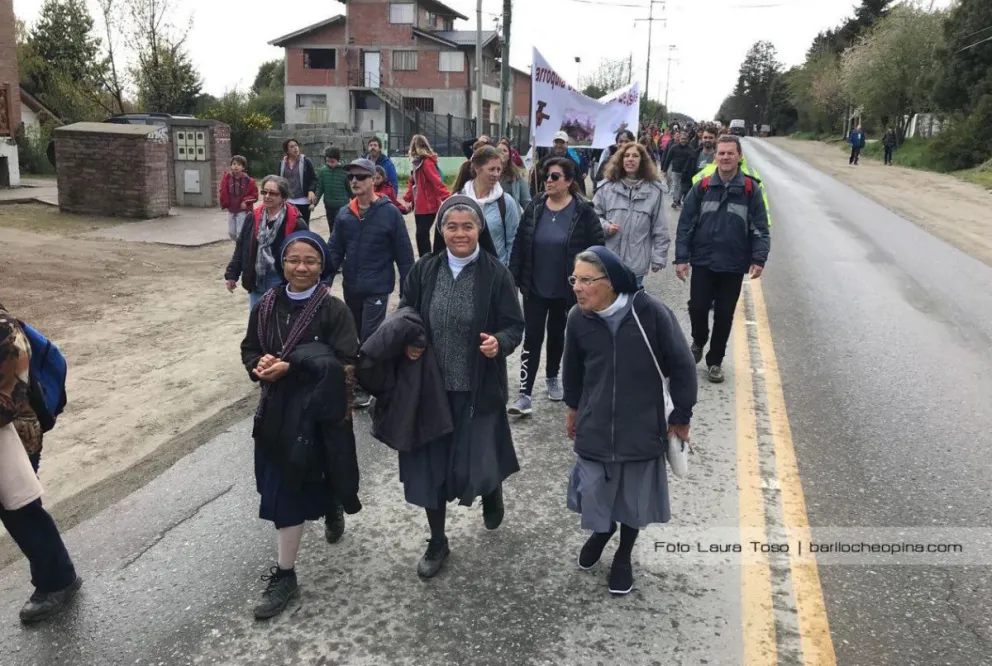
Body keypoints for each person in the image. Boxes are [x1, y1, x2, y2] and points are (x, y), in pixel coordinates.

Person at [396, 195, 525, 579]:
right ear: (440, 230)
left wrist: (498, 343)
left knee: (479, 461)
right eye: (451, 226)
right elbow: (406, 310)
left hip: (478, 389)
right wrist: (409, 339)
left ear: (480, 230)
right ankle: (437, 541)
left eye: (468, 226)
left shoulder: (496, 274)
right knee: (430, 468)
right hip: (430, 391)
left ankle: (491, 487)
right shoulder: (424, 270)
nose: (460, 233)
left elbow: (514, 325)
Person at [241, 231, 361, 619]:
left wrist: (295, 366)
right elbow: (250, 347)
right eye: (294, 259)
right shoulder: (265, 306)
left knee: (301, 485)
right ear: (282, 262)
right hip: (275, 413)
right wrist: (258, 366)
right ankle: (293, 565)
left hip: (315, 416)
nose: (301, 267)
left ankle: (290, 567)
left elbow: (348, 364)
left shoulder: (334, 309)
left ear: (322, 265)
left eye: (310, 260)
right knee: (280, 488)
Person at [563, 247, 697, 595]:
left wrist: (681, 416)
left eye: (586, 280)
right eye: (574, 279)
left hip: (641, 426)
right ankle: (603, 531)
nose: (577, 287)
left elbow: (681, 365)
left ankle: (623, 554)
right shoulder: (578, 318)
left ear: (611, 282)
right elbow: (573, 368)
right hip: (595, 424)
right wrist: (574, 407)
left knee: (632, 501)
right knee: (595, 491)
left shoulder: (650, 313)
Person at [0, 304, 82, 624]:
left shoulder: (5, 333)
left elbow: (10, 400)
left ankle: (57, 580)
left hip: (16, 437)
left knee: (20, 510)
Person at [508, 157, 605, 416]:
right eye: (546, 176)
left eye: (554, 177)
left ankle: (552, 376)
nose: (548, 181)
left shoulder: (584, 211)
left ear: (570, 181)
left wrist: (590, 283)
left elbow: (597, 249)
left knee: (558, 335)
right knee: (532, 337)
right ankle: (524, 394)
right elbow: (520, 242)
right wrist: (513, 278)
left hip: (566, 291)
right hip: (535, 288)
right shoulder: (535, 207)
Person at [675, 135, 770, 383]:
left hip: (733, 264)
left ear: (739, 156)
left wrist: (759, 258)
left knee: (724, 315)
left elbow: (760, 228)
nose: (725, 157)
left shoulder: (751, 189)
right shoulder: (703, 186)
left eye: (730, 153)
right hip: (704, 261)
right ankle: (698, 340)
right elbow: (685, 225)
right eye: (721, 153)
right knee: (697, 307)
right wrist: (681, 258)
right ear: (715, 156)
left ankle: (715, 361)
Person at [328, 159, 415, 409]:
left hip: (378, 286)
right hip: (352, 286)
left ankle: (365, 385)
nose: (354, 181)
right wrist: (324, 281)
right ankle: (376, 376)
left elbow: (404, 254)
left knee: (369, 336)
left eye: (361, 176)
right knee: (355, 335)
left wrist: (408, 291)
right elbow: (334, 252)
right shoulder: (345, 215)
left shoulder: (389, 213)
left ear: (374, 179)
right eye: (351, 177)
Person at [226, 175, 309, 310]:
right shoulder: (252, 217)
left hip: (281, 280)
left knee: (277, 325)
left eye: (273, 193)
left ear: (283, 196)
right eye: (264, 192)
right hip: (256, 279)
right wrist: (232, 275)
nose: (267, 196)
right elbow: (241, 248)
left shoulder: (295, 222)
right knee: (256, 324)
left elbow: (306, 254)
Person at [593, 142, 669, 288]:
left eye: (635, 156)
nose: (630, 159)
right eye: (626, 155)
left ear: (642, 161)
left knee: (632, 305)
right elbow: (593, 217)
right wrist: (606, 226)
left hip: (637, 263)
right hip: (609, 260)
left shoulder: (654, 191)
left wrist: (659, 257)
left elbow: (660, 227)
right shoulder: (606, 187)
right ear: (620, 160)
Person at [452, 145, 521, 267]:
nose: (496, 174)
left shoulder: (506, 202)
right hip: (464, 272)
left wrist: (508, 275)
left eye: (499, 170)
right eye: (491, 169)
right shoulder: (457, 200)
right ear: (478, 168)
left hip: (496, 274)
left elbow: (514, 241)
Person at [404, 134, 451, 257]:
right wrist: (408, 199)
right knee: (421, 235)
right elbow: (413, 181)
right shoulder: (417, 163)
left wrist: (448, 198)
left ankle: (427, 260)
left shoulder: (426, 163)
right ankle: (425, 261)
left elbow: (436, 182)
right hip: (420, 206)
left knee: (421, 234)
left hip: (429, 206)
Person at [531, 131, 586, 197]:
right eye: (557, 142)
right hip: (547, 198)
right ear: (553, 143)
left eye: (562, 142)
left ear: (567, 144)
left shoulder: (573, 164)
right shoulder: (543, 161)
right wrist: (534, 196)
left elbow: (579, 185)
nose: (559, 145)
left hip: (566, 199)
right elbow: (535, 179)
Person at [313, 147, 351, 240]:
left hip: (342, 206)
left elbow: (350, 189)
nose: (330, 163)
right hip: (329, 206)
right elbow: (320, 188)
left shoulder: (345, 171)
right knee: (332, 228)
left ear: (338, 160)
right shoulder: (323, 171)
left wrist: (358, 202)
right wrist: (314, 203)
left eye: (332, 161)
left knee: (341, 228)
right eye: (328, 161)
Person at [219, 155, 259, 241]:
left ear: (243, 167)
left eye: (239, 164)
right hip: (231, 210)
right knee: (231, 232)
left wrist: (245, 201)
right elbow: (223, 191)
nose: (236, 166)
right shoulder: (227, 178)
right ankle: (238, 245)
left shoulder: (249, 181)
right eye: (234, 164)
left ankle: (240, 250)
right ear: (231, 166)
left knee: (240, 232)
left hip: (242, 211)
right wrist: (224, 202)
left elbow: (255, 196)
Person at [278, 139, 317, 224]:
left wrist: (311, 190)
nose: (295, 148)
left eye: (296, 145)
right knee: (289, 225)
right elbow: (280, 181)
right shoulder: (282, 163)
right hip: (288, 201)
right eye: (292, 147)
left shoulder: (306, 161)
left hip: (303, 200)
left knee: (303, 225)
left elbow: (314, 179)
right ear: (287, 150)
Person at [660, 131, 696, 209]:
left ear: (688, 140)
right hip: (675, 170)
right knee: (675, 185)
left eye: (685, 139)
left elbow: (694, 159)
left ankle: (678, 200)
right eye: (682, 139)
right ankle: (675, 200)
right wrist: (664, 169)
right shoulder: (674, 147)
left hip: (685, 171)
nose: (683, 140)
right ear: (679, 139)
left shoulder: (691, 149)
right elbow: (668, 158)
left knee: (681, 186)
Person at [497, 137, 531, 211]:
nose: (501, 152)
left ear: (509, 155)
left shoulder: (516, 175)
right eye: (499, 150)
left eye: (505, 150)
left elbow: (526, 202)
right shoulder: (489, 174)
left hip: (511, 217)